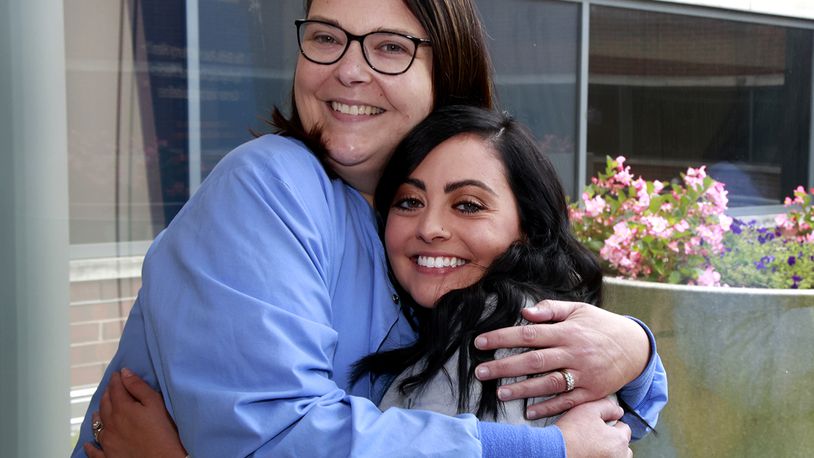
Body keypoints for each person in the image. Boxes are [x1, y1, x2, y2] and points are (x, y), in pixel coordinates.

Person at [75, 1, 666, 456]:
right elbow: (272, 434)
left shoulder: (403, 230)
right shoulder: (272, 182)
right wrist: (543, 449)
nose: (347, 71)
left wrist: (636, 354)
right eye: (326, 38)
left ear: (447, 70)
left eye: (390, 47)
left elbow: (604, 424)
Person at [364, 105, 638, 429]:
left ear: (528, 225)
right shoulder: (462, 321)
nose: (429, 227)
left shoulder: (495, 340)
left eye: (468, 205)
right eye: (409, 201)